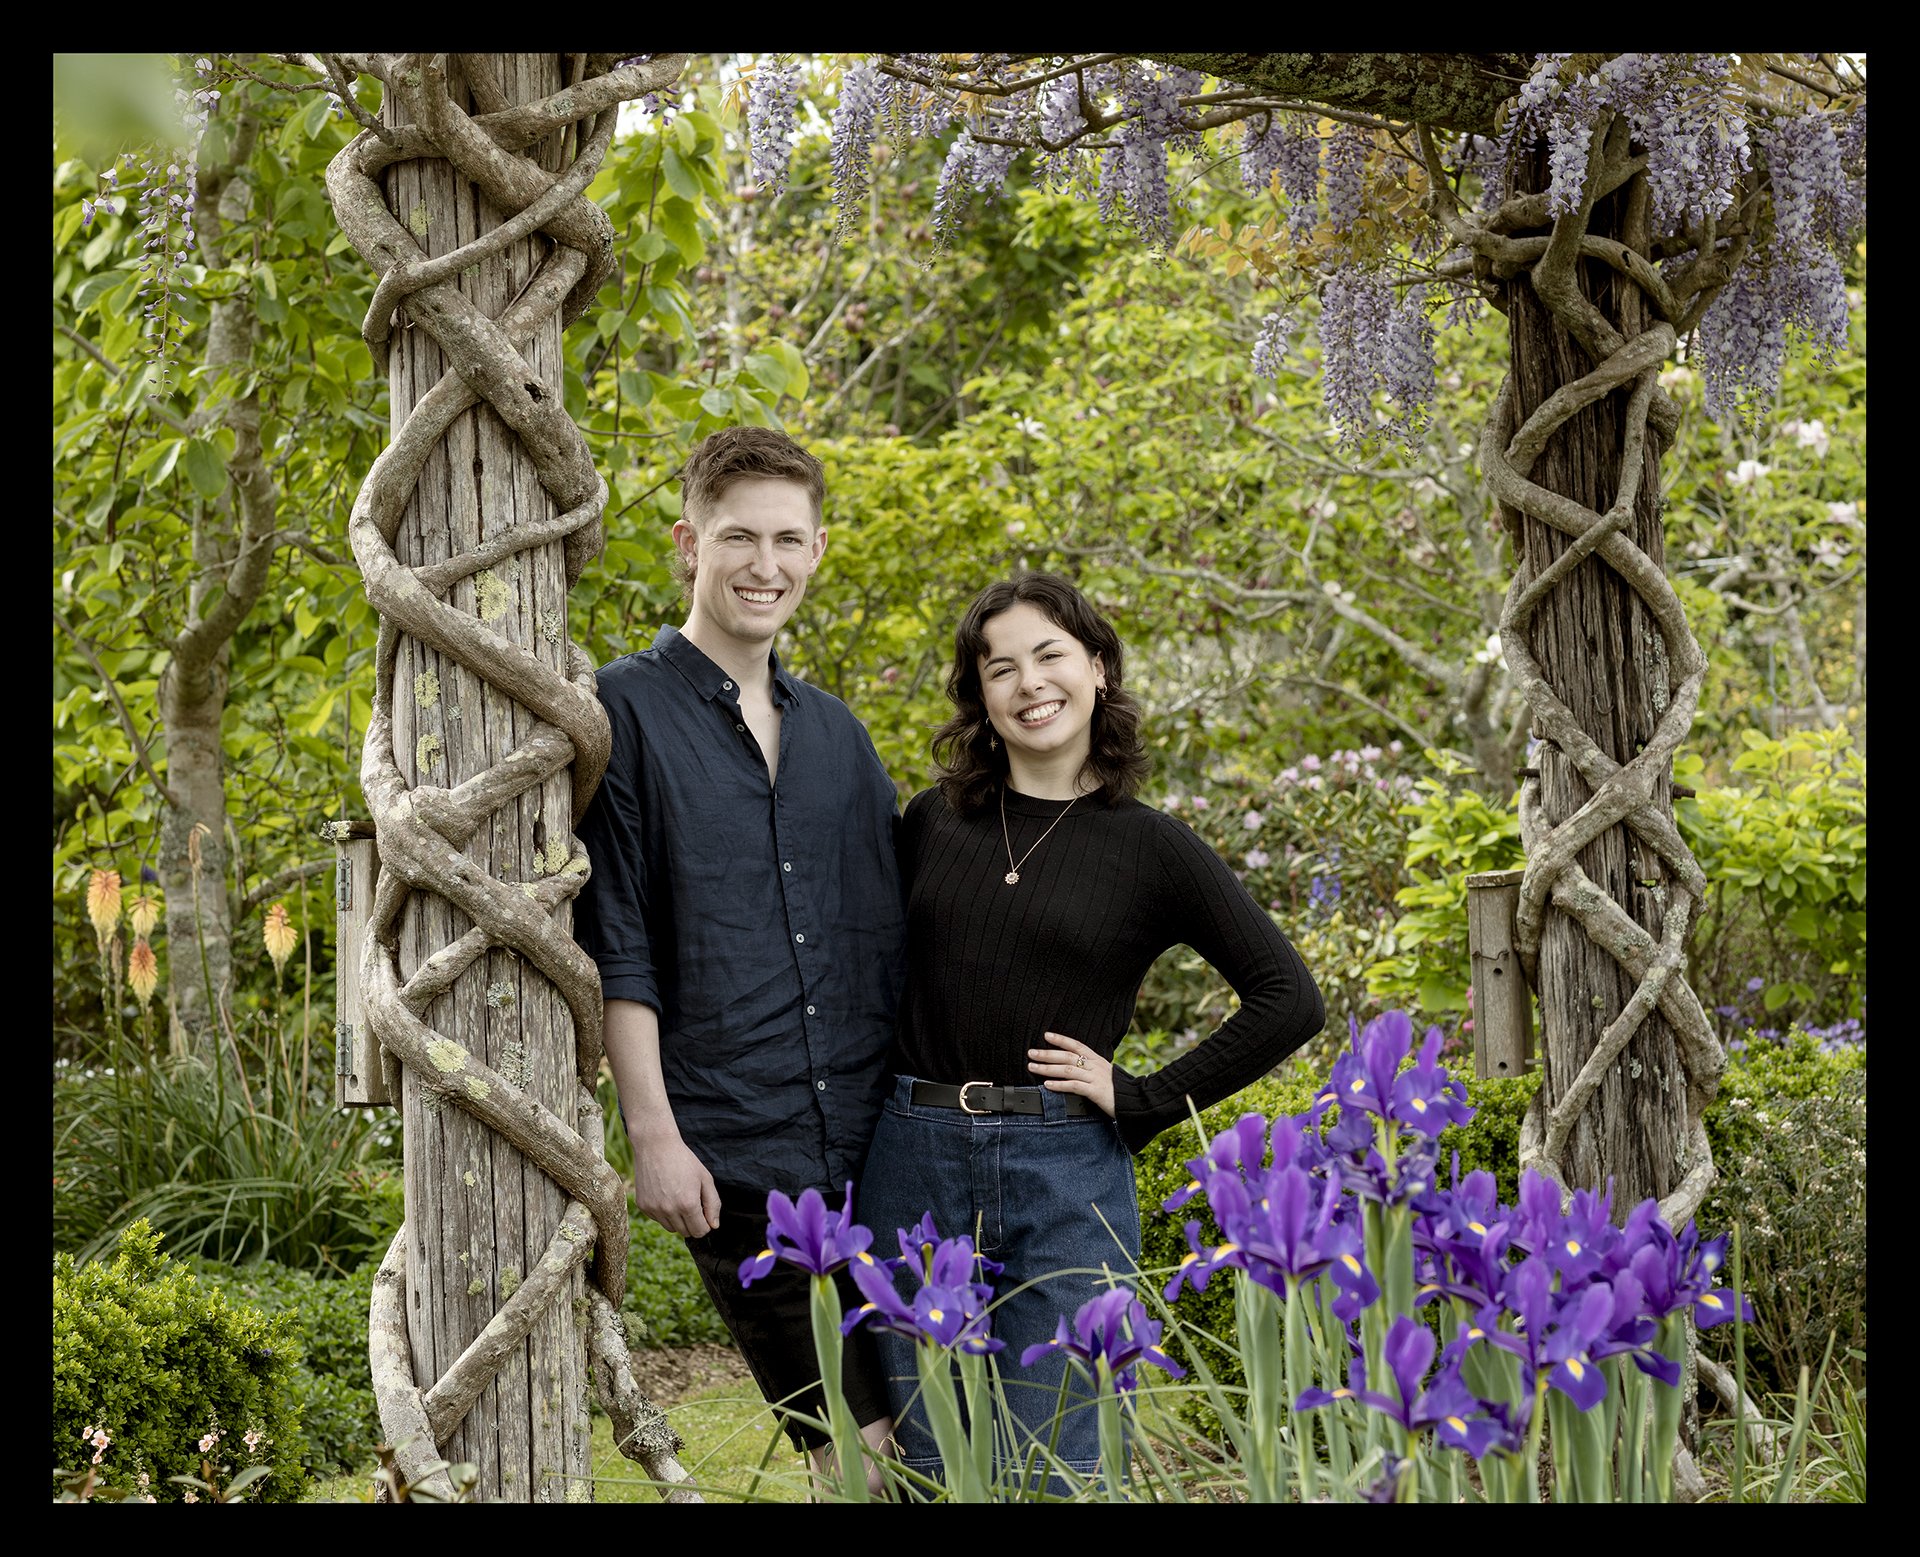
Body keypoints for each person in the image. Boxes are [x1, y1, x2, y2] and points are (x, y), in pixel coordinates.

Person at [856, 571, 1325, 1486]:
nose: (1029, 683)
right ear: (979, 697)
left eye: (1049, 655)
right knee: (924, 1464)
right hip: (912, 1155)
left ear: (1098, 669)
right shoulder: (927, 822)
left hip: (1064, 1174)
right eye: (1000, 668)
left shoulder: (1152, 846)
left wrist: (1144, 1098)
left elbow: (1288, 996)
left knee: (1059, 1465)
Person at [572, 426, 905, 1488]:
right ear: (689, 542)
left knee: (922, 1436)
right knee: (854, 1449)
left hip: (875, 1146)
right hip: (734, 1154)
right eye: (740, 538)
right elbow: (618, 933)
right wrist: (652, 1134)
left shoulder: (840, 739)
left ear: (817, 551)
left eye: (789, 540)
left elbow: (886, 941)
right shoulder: (622, 709)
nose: (767, 565)